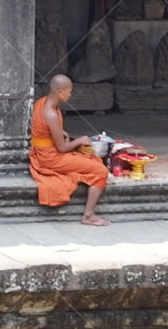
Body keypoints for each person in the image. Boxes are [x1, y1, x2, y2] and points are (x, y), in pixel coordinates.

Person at [30, 73, 110, 226]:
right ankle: (88, 215)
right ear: (60, 91)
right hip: (50, 158)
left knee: (92, 159)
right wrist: (80, 140)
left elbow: (46, 130)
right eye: (69, 91)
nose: (70, 94)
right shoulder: (51, 114)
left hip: (43, 151)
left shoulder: (42, 102)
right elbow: (61, 148)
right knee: (101, 171)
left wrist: (60, 132)